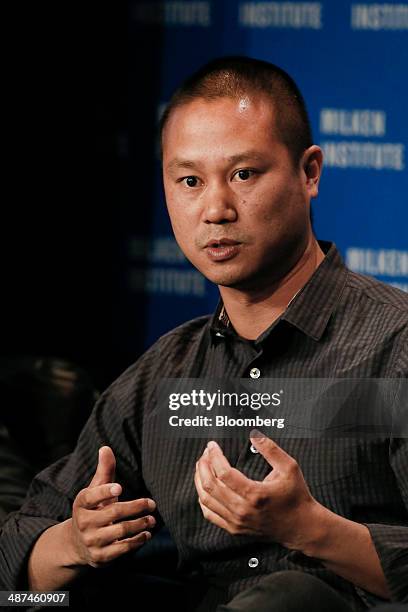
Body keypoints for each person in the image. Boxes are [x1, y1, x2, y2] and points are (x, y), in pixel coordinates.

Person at [0, 56, 407, 611]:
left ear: (309, 172)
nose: (215, 209)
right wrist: (75, 543)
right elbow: (13, 563)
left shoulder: (393, 346)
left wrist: (312, 530)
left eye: (243, 175)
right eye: (190, 181)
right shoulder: (164, 378)